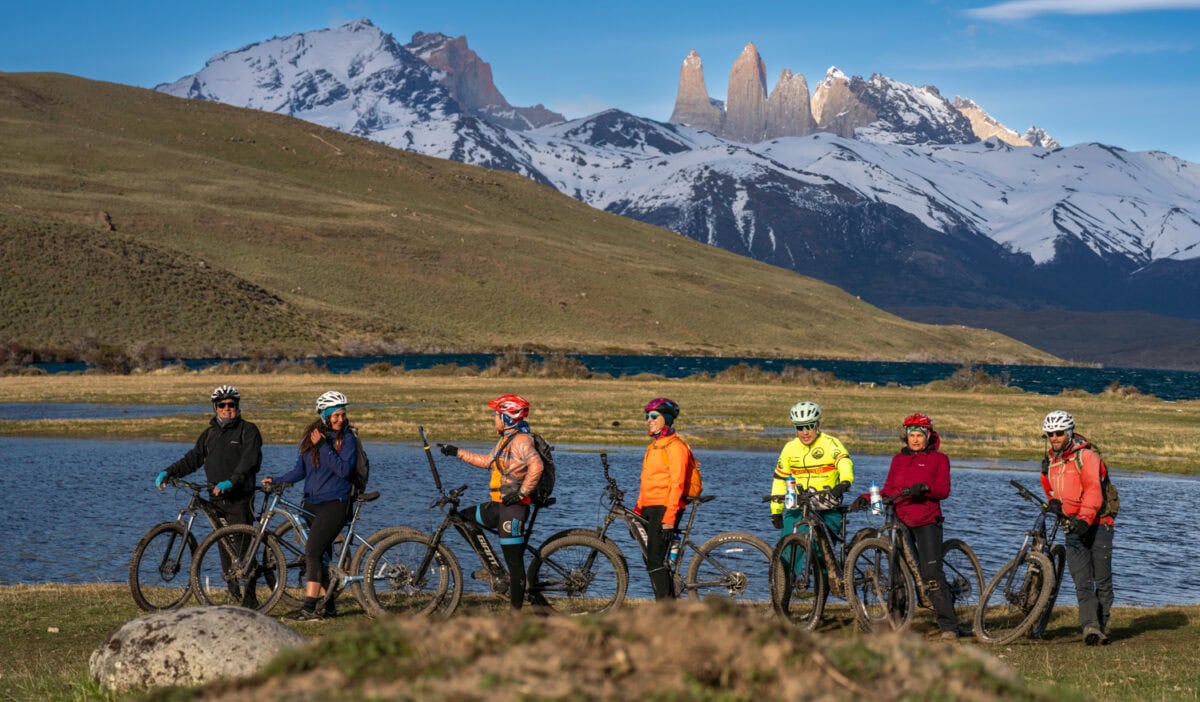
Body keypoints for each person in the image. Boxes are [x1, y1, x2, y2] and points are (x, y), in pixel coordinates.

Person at [855, 413, 959, 640]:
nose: (915, 440)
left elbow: (943, 490)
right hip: (900, 519)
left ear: (928, 436)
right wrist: (866, 497)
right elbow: (890, 489)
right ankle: (895, 623)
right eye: (911, 435)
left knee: (931, 573)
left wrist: (924, 488)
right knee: (896, 573)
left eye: (919, 435)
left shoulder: (939, 459)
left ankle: (949, 625)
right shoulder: (898, 460)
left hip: (927, 520)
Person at [438, 394, 544, 611]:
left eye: (497, 415)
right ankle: (494, 570)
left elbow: (537, 466)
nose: (494, 418)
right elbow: (488, 461)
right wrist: (457, 452)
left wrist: (522, 492)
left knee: (515, 566)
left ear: (508, 417)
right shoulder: (506, 440)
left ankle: (516, 614)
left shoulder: (522, 441)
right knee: (463, 518)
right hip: (498, 506)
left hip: (513, 510)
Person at [263, 391, 359, 620]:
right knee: (322, 558)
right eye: (335, 415)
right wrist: (276, 480)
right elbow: (300, 471)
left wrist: (325, 446)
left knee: (312, 553)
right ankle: (328, 607)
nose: (340, 419)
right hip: (311, 504)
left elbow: (344, 471)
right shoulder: (311, 438)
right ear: (324, 416)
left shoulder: (348, 440)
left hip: (336, 503)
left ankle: (308, 608)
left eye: (342, 414)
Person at [1039, 409, 1115, 646]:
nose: (1054, 437)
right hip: (1072, 525)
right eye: (1050, 434)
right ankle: (1090, 628)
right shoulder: (1050, 461)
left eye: (1059, 433)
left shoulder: (1087, 458)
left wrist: (1085, 519)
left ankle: (1099, 623)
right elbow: (1049, 486)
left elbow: (1093, 489)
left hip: (1098, 523)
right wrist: (1053, 501)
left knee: (1101, 580)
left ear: (1070, 432)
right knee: (1082, 581)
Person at [633, 397, 698, 600]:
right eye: (647, 416)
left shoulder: (676, 447)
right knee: (652, 560)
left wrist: (669, 518)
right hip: (650, 507)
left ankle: (666, 609)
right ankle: (668, 600)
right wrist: (637, 509)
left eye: (654, 416)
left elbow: (677, 484)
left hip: (665, 507)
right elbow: (646, 481)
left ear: (666, 419)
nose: (649, 420)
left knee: (654, 560)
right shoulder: (654, 446)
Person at [769, 401, 853, 542]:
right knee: (787, 548)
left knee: (820, 552)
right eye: (800, 427)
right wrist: (776, 511)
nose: (805, 432)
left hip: (827, 507)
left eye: (809, 426)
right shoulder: (790, 448)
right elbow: (779, 480)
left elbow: (845, 463)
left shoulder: (831, 443)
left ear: (817, 425)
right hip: (799, 507)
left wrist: (844, 483)